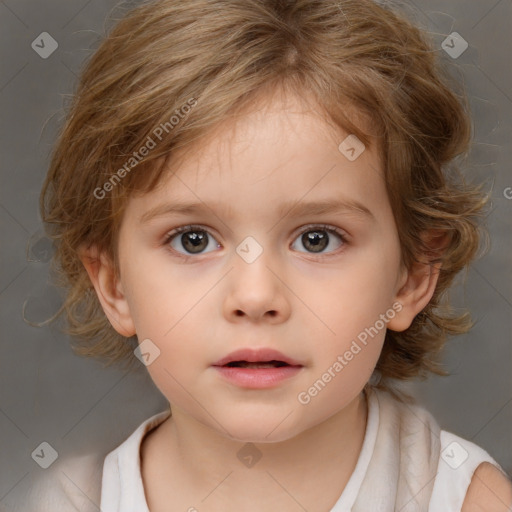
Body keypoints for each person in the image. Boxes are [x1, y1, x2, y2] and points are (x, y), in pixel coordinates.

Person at [38, 0, 512, 510]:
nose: (256, 296)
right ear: (113, 285)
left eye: (317, 239)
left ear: (412, 276)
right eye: (193, 239)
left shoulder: (463, 499)